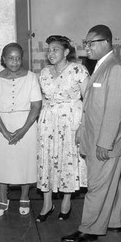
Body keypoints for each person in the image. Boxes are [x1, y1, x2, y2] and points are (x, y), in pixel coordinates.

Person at [62, 25, 121, 242]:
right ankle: (112, 221)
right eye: (85, 43)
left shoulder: (115, 69)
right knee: (110, 184)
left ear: (106, 42)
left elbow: (115, 111)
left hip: (106, 142)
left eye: (91, 43)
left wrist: (104, 143)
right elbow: (92, 105)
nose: (86, 48)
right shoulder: (101, 66)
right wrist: (83, 129)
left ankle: (89, 229)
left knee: (97, 185)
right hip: (97, 137)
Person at [36, 35, 89, 222]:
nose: (51, 53)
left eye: (55, 49)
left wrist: (83, 126)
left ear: (66, 52)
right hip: (48, 121)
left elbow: (88, 100)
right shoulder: (43, 73)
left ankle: (66, 201)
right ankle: (47, 202)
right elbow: (42, 99)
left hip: (71, 121)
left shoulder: (78, 70)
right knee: (47, 159)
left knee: (68, 158)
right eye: (49, 50)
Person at [0, 43, 42, 217]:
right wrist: (4, 131)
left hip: (26, 124)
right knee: (1, 163)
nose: (15, 61)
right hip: (0, 125)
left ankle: (25, 197)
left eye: (18, 58)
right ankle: (3, 199)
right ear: (3, 59)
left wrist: (24, 130)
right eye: (10, 58)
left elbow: (36, 105)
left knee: (25, 162)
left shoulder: (32, 77)